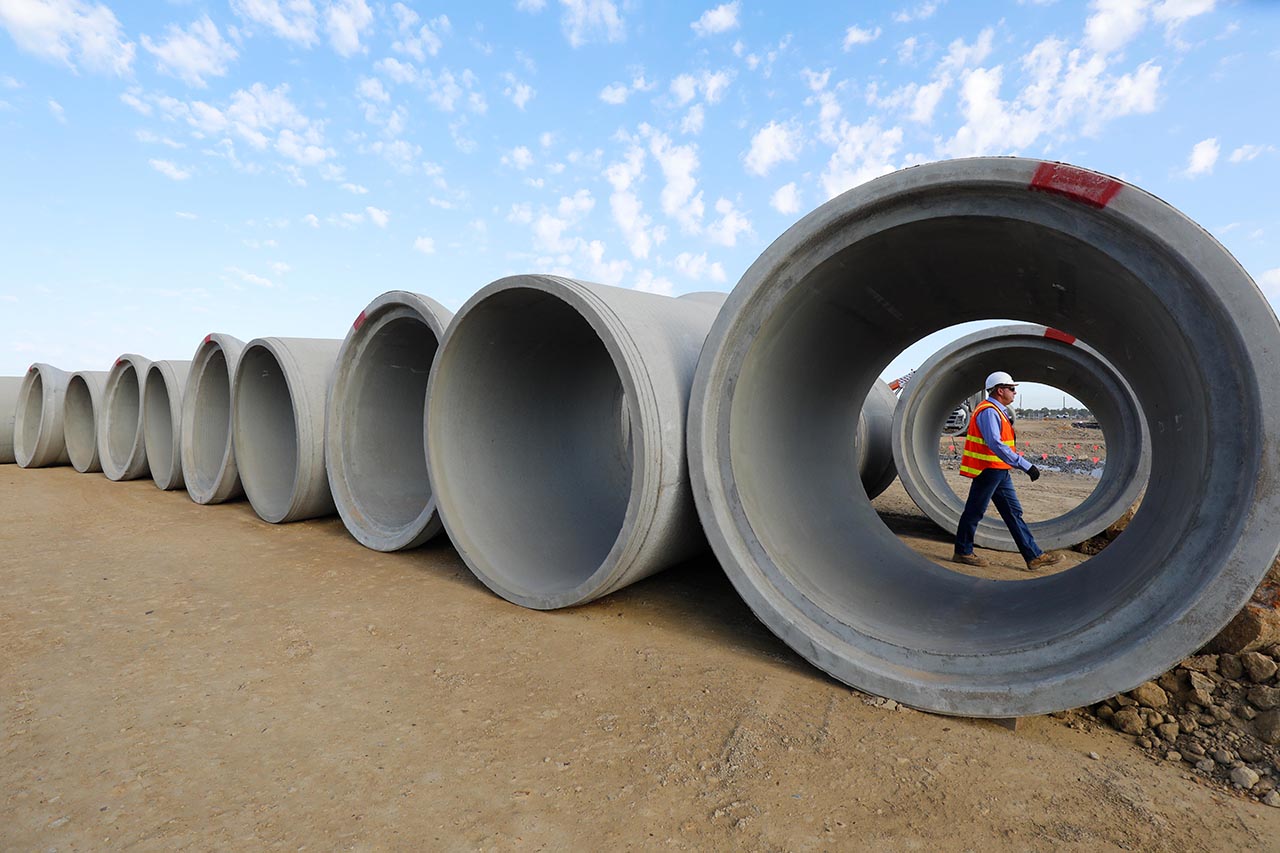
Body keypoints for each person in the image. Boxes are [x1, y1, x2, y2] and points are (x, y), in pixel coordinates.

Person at [953, 371, 1064, 571]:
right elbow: (995, 443)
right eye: (1012, 389)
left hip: (999, 469)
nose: (1014, 393)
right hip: (988, 469)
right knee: (975, 511)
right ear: (1000, 390)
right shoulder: (989, 411)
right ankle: (962, 551)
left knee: (1013, 513)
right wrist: (1025, 465)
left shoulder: (998, 410)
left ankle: (1034, 556)